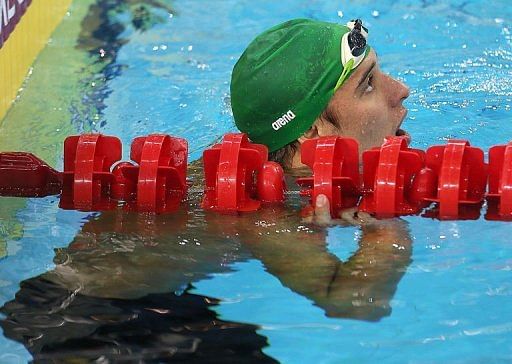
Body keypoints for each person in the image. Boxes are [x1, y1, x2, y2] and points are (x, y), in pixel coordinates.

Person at [1, 17, 413, 362]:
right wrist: (387, 230)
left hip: (130, 303)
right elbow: (353, 302)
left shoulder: (252, 167)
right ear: (311, 133)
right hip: (81, 325)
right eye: (369, 85)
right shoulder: (262, 208)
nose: (401, 90)